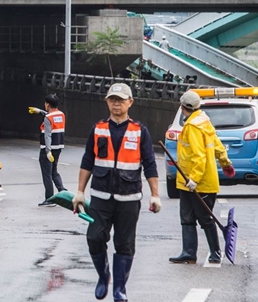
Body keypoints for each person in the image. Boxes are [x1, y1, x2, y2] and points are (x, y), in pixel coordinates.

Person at [72, 83, 161, 302]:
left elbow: (150, 164)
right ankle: (104, 277)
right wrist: (80, 192)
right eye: (113, 99)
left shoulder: (140, 131)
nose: (116, 103)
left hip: (129, 199)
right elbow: (87, 161)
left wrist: (155, 194)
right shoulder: (98, 128)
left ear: (130, 102)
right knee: (94, 238)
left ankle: (119, 289)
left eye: (121, 100)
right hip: (101, 197)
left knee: (124, 244)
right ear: (107, 102)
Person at [169, 90, 235, 265]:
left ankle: (214, 252)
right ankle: (188, 253)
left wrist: (195, 179)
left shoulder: (193, 127)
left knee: (204, 218)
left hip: (197, 182)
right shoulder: (204, 121)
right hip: (188, 181)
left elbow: (199, 155)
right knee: (188, 217)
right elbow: (218, 145)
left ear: (182, 106)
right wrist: (225, 163)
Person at [29, 94, 67, 206]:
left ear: (48, 104)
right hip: (58, 147)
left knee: (47, 174)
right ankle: (63, 191)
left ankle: (50, 198)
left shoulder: (47, 118)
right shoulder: (61, 114)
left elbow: (47, 135)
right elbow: (51, 115)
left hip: (48, 150)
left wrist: (47, 151)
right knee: (54, 171)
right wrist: (39, 111)